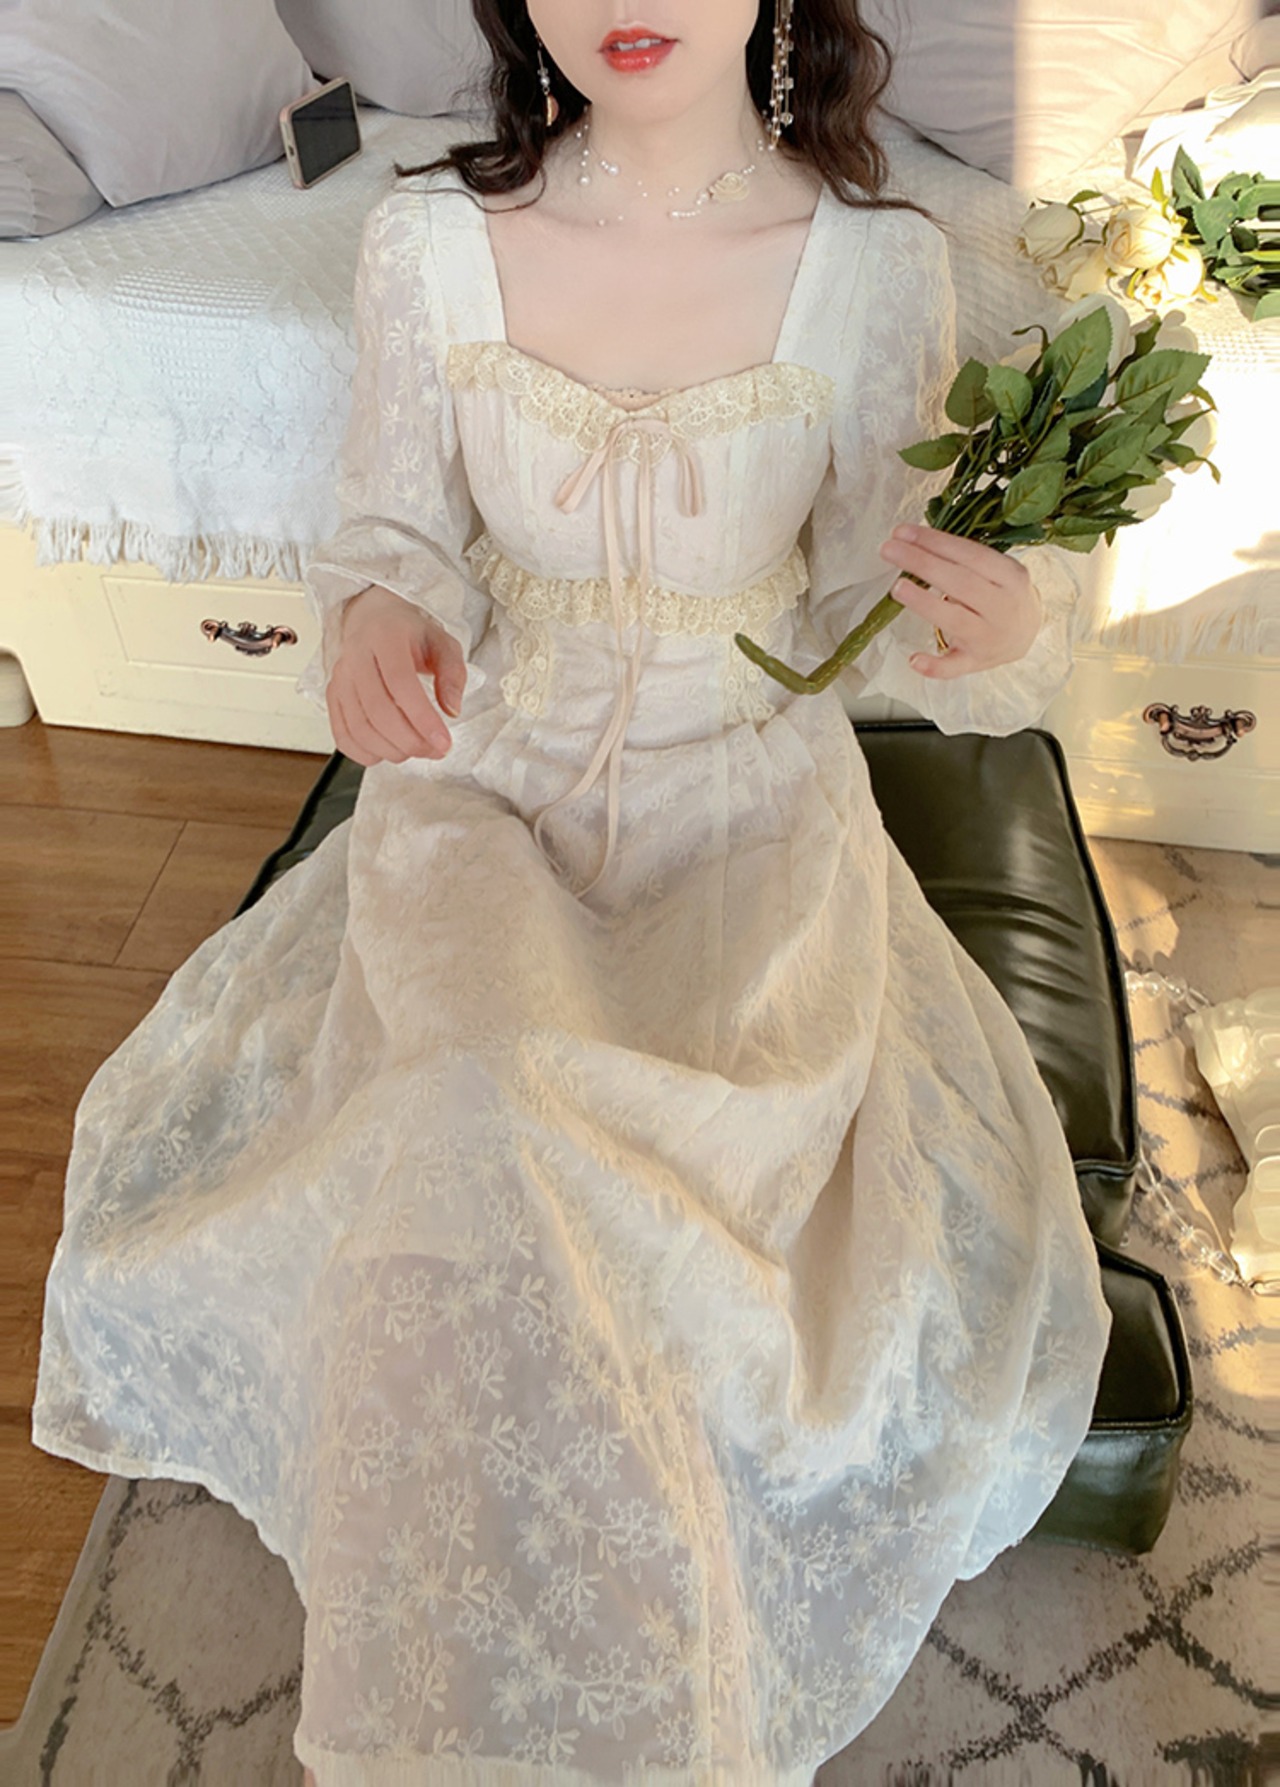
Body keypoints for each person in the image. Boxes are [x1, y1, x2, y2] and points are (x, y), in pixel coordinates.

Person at [32, 2, 1113, 1782]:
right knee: (481, 1095)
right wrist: (377, 619)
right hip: (491, 785)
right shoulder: (427, 245)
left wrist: (1004, 626)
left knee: (683, 1171)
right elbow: (390, 533)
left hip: (746, 796)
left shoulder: (878, 272)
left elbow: (873, 605)